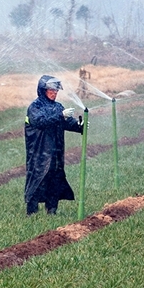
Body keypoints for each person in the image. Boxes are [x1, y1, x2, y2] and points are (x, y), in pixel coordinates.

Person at [24, 75, 84, 215]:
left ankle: (52, 210)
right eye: (51, 90)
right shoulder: (35, 107)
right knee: (37, 178)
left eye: (56, 90)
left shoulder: (58, 107)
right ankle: (31, 212)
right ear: (43, 90)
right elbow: (40, 122)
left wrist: (79, 126)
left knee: (55, 179)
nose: (54, 92)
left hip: (56, 151)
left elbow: (67, 123)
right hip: (39, 151)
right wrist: (60, 116)